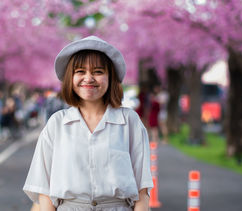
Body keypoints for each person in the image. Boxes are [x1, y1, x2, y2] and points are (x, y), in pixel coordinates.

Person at [23, 36, 153, 211]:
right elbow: (44, 192)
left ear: (111, 77)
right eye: (80, 72)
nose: (89, 78)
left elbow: (142, 191)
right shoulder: (57, 124)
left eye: (98, 72)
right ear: (71, 78)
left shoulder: (130, 122)